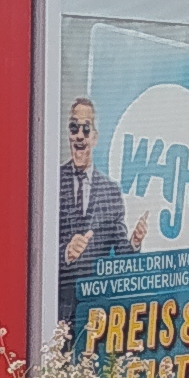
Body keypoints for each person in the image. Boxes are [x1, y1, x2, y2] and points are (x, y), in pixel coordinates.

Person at [58, 94, 129, 270]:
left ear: (95, 138)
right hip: (57, 293)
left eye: (86, 129)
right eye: (74, 128)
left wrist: (135, 243)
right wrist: (66, 252)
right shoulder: (52, 182)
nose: (79, 136)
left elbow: (122, 251)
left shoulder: (111, 192)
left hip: (94, 293)